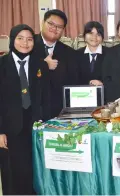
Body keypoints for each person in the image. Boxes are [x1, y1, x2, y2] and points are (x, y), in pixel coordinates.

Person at [0, 24, 50, 195]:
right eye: (20, 38)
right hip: (10, 129)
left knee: (33, 170)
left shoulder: (39, 65)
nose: (25, 43)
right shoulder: (2, 64)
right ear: (13, 40)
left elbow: (45, 96)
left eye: (29, 39)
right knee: (12, 173)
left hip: (34, 126)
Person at [32, 9, 79, 118]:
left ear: (63, 30)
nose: (54, 28)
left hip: (58, 113)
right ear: (42, 22)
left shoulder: (69, 53)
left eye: (59, 27)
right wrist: (43, 65)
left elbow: (73, 83)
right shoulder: (28, 44)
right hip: (29, 112)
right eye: (51, 24)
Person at [77, 21, 108, 85]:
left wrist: (103, 84)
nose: (94, 37)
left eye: (98, 34)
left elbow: (114, 78)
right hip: (82, 93)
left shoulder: (110, 54)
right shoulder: (76, 54)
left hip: (104, 93)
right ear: (84, 36)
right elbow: (74, 78)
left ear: (102, 38)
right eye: (91, 33)